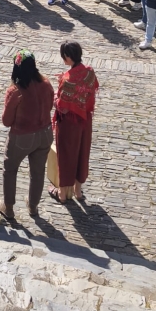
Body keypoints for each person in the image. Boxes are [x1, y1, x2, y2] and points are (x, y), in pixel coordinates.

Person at [0, 49, 54, 221]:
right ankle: (33, 206)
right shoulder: (46, 83)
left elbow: (7, 121)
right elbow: (50, 105)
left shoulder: (16, 91)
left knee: (10, 169)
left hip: (23, 137)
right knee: (37, 172)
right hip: (45, 133)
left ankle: (8, 207)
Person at [49, 41, 99, 204]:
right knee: (82, 153)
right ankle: (78, 191)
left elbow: (62, 107)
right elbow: (89, 93)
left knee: (66, 155)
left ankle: (62, 194)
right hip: (85, 119)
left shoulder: (67, 80)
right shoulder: (90, 73)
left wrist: (55, 96)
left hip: (69, 123)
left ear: (68, 57)